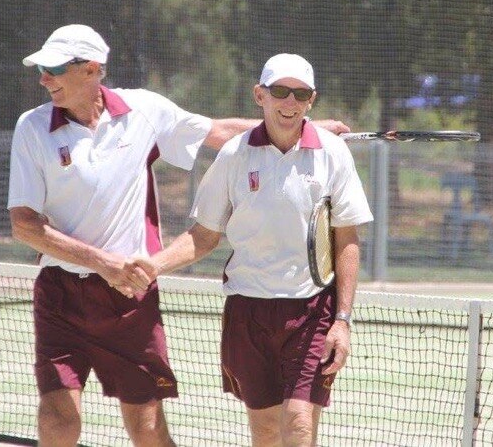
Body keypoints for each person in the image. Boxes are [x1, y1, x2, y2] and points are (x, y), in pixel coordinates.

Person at [7, 26, 346, 447]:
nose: (44, 78)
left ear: (92, 69)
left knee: (147, 428)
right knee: (58, 420)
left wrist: (301, 126)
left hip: (130, 298)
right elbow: (24, 224)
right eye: (42, 69)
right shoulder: (32, 127)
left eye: (54, 69)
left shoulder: (143, 110)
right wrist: (103, 263)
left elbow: (218, 132)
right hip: (60, 295)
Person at [135, 53, 373, 447]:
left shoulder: (332, 152)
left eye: (301, 94)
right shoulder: (234, 154)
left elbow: (346, 240)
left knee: (299, 425)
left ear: (311, 100)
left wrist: (342, 320)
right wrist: (151, 266)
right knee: (264, 432)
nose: (290, 102)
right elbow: (204, 236)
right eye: (280, 91)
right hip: (248, 310)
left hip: (312, 309)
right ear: (260, 95)